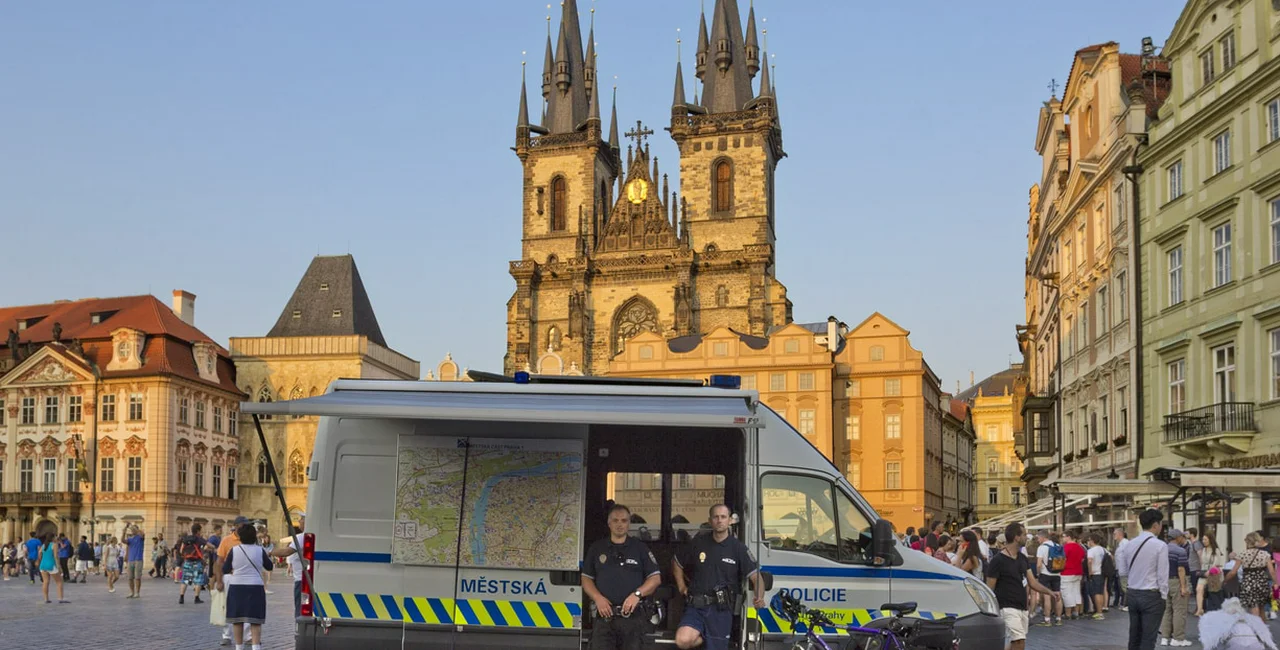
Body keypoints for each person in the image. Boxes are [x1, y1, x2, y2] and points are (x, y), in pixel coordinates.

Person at [673, 504, 765, 650]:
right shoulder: (698, 543)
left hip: (721, 610)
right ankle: (704, 637)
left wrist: (759, 597)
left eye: (723, 517)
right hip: (696, 606)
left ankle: (706, 637)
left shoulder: (738, 548)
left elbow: (756, 577)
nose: (719, 520)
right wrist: (681, 586)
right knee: (682, 640)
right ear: (710, 520)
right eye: (716, 517)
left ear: (730, 521)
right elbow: (677, 562)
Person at [581, 504, 662, 650]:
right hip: (604, 617)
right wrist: (597, 598)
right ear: (609, 523)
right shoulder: (597, 548)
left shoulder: (640, 548)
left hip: (632, 619)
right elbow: (586, 579)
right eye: (616, 520)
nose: (620, 524)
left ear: (629, 523)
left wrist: (637, 595)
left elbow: (655, 578)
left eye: (624, 521)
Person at [986, 523, 1058, 650]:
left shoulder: (1022, 558)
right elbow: (989, 587)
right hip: (1006, 606)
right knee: (1019, 641)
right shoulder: (998, 560)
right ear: (1016, 537)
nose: (1027, 537)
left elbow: (1032, 582)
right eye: (1024, 534)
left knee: (1015, 643)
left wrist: (1049, 592)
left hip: (1022, 606)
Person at [1117, 509, 1169, 650]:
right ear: (1156, 525)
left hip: (1133, 593)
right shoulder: (1160, 546)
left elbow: (1122, 571)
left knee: (1134, 635)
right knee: (1148, 637)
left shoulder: (1129, 544)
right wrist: (1163, 596)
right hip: (1152, 595)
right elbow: (1162, 575)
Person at [215, 522, 272, 650]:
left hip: (237, 586)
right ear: (254, 537)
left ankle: (239, 647)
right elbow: (269, 566)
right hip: (256, 587)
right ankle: (256, 647)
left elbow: (225, 569)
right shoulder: (260, 550)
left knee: (237, 619)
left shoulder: (234, 550)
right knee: (255, 620)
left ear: (241, 537)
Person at [215, 515, 250, 646]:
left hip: (245, 577)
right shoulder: (227, 540)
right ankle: (226, 635)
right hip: (230, 576)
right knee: (227, 606)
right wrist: (219, 580)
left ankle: (247, 636)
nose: (245, 527)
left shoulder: (250, 539)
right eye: (243, 525)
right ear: (236, 526)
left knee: (246, 606)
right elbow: (219, 562)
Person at [1227, 532, 1276, 619]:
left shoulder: (1242, 554)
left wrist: (1225, 580)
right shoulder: (1265, 554)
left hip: (1248, 583)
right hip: (1262, 583)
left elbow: (1233, 572)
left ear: (1247, 542)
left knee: (1253, 607)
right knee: (1261, 609)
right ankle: (1262, 629)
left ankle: (1257, 628)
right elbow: (1272, 571)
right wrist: (1276, 583)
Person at [1197, 597, 1279, 650]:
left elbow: (1218, 638)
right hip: (1255, 645)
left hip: (1235, 645)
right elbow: (1263, 633)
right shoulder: (1250, 618)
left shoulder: (1223, 618)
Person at [1159, 528, 1192, 646]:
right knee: (1179, 610)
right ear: (1178, 537)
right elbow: (1181, 569)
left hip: (1163, 582)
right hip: (1176, 581)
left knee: (1166, 610)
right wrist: (1183, 587)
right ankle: (1178, 638)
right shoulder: (1180, 551)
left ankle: (1165, 637)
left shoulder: (1162, 549)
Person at [271, 512, 307, 618]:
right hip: (305, 577)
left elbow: (286, 552)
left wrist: (270, 552)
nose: (299, 521)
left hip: (301, 579)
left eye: (301, 519)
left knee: (300, 610)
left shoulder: (301, 537)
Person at [1034, 530, 1064, 627]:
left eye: (1038, 538)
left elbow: (1039, 564)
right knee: (1058, 595)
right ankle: (1059, 619)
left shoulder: (1042, 548)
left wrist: (1038, 573)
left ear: (1043, 537)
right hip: (1057, 573)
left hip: (1045, 574)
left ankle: (1047, 620)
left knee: (1047, 596)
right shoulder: (1058, 546)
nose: (1038, 540)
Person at [176, 522, 208, 604]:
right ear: (198, 531)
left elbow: (181, 550)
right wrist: (214, 548)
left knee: (185, 580)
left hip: (187, 562)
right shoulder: (199, 539)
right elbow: (208, 545)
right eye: (200, 530)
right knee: (198, 580)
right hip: (197, 562)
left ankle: (181, 598)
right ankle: (196, 598)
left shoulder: (186, 538)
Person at [1060, 530, 1086, 620]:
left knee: (1067, 593)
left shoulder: (1066, 547)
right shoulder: (1080, 547)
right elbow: (1082, 559)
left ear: (1068, 537)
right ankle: (1076, 612)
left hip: (1067, 572)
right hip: (1078, 572)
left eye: (1063, 536)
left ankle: (1068, 613)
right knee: (1076, 592)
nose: (1062, 538)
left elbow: (1062, 559)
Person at [38, 533, 67, 604]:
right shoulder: (54, 545)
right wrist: (59, 567)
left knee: (46, 582)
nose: (56, 537)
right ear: (52, 538)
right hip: (51, 564)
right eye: (55, 536)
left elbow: (39, 553)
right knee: (59, 582)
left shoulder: (44, 545)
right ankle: (60, 598)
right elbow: (55, 556)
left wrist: (41, 559)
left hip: (43, 564)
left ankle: (46, 599)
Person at [1086, 532, 1108, 620]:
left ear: (1092, 541)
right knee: (1100, 592)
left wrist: (1090, 571)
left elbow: (1090, 561)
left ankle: (1099, 612)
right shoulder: (1103, 549)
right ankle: (1100, 610)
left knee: (1096, 593)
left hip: (1095, 573)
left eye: (1089, 540)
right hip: (1102, 572)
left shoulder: (1091, 550)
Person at [124, 524, 147, 598]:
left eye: (134, 529)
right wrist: (124, 529)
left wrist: (135, 528)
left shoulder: (140, 537)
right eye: (131, 529)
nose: (132, 530)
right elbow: (122, 540)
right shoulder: (130, 539)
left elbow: (143, 534)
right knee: (130, 578)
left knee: (137, 577)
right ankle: (131, 592)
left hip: (138, 559)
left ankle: (137, 592)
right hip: (131, 560)